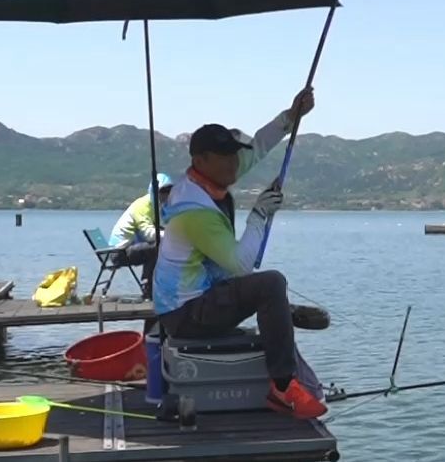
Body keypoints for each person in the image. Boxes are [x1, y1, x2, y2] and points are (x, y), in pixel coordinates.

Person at [153, 87, 327, 419]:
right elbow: (242, 265)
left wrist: (291, 116)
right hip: (185, 314)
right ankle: (282, 386)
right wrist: (260, 215)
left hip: (192, 299)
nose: (235, 163)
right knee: (271, 283)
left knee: (267, 292)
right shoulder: (194, 209)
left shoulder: (213, 177)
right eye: (225, 157)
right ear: (200, 160)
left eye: (234, 155)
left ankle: (281, 328)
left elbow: (259, 146)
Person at [109, 172, 173, 269]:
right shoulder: (143, 206)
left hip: (129, 247)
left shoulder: (155, 207)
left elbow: (158, 228)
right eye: (163, 191)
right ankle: (147, 283)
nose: (166, 194)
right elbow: (149, 234)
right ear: (154, 192)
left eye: (169, 191)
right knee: (159, 247)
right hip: (119, 252)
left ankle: (152, 280)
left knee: (162, 245)